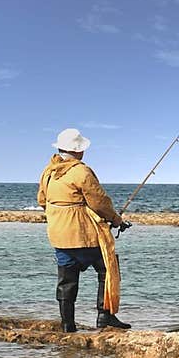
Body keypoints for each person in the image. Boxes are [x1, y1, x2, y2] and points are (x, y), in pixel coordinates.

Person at [37, 128, 132, 332]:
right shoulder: (81, 171)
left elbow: (42, 200)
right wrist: (116, 220)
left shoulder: (48, 172)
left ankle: (67, 325)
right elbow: (100, 202)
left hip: (58, 235)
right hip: (84, 236)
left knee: (66, 281)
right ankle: (105, 316)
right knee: (108, 267)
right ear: (78, 150)